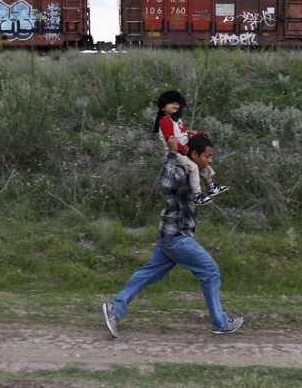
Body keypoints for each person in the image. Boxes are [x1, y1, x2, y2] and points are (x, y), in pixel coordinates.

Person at [102, 135, 243, 338]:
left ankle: (115, 310)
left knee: (148, 273)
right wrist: (171, 152)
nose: (210, 160)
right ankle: (220, 323)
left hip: (170, 235)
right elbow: (165, 181)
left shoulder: (193, 171)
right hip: (177, 236)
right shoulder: (178, 170)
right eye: (208, 156)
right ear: (194, 155)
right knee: (210, 270)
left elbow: (198, 189)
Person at [153, 90, 228, 205]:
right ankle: (197, 195)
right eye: (171, 103)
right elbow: (171, 139)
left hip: (185, 150)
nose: (175, 105)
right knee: (193, 166)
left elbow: (183, 133)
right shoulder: (164, 121)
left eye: (177, 103)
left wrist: (194, 134)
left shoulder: (176, 120)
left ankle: (211, 186)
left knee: (202, 163)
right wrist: (184, 149)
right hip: (175, 153)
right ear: (163, 107)